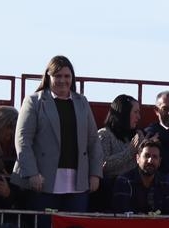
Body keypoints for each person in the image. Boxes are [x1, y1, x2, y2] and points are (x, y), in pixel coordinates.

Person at [15, 55, 104, 212]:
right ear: (48, 77)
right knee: (44, 226)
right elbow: (23, 141)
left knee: (74, 226)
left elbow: (93, 140)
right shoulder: (34, 102)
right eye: (57, 76)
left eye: (67, 76)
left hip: (78, 185)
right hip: (43, 183)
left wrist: (95, 174)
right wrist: (32, 173)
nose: (63, 80)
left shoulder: (82, 102)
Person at [110, 137, 169, 214]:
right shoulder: (124, 181)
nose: (150, 161)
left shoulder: (165, 184)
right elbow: (121, 213)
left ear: (159, 162)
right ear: (137, 158)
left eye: (155, 157)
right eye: (147, 156)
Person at [95, 95, 142, 184]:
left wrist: (147, 147)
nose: (138, 117)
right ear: (124, 113)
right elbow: (103, 165)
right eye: (135, 112)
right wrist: (129, 152)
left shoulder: (136, 135)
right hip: (112, 186)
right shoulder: (104, 135)